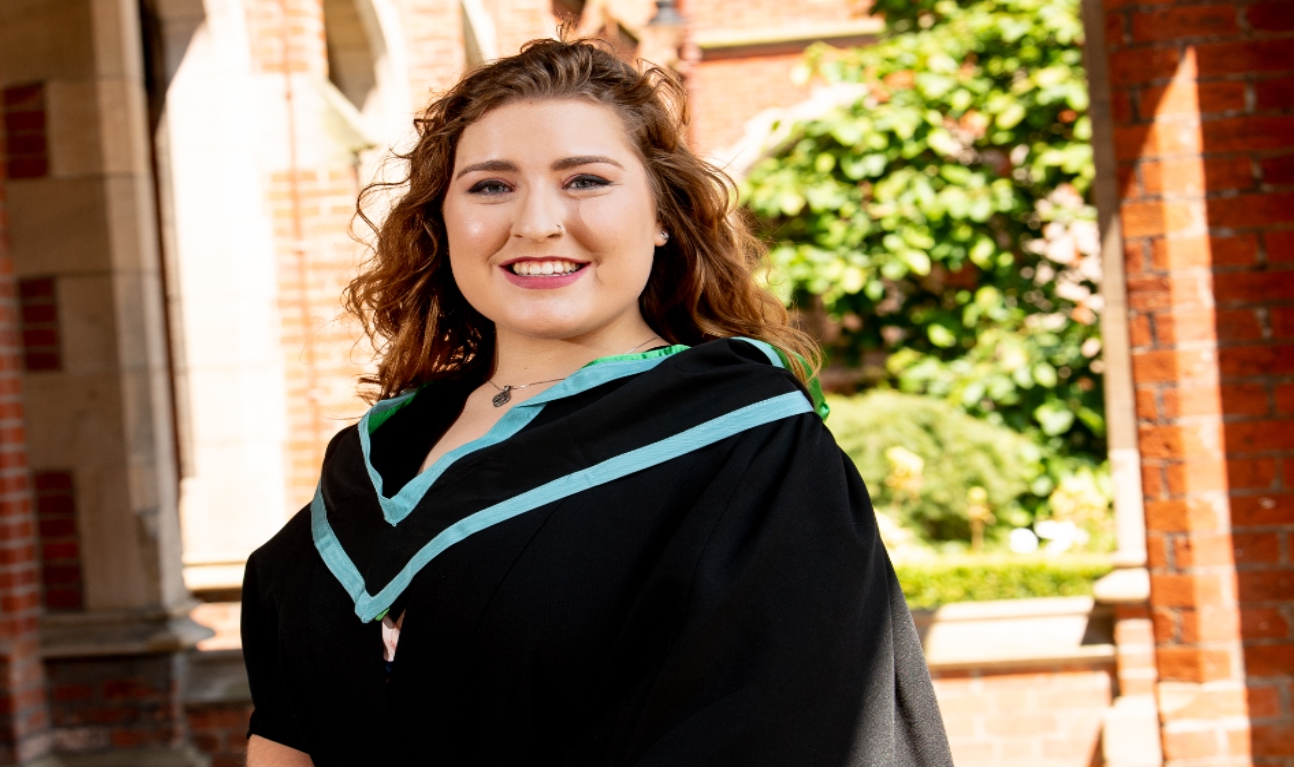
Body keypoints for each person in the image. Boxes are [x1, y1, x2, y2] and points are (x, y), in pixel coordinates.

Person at [241, 39, 952, 767]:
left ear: (663, 215)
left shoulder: (747, 448)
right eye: (491, 186)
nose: (536, 222)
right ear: (442, 219)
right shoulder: (375, 459)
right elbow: (287, 729)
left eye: (585, 180)